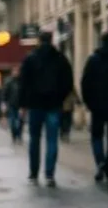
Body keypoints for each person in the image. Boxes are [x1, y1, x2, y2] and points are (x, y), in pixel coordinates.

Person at [17, 31, 74, 186]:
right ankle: (49, 174)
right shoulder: (60, 59)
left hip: (35, 104)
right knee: (52, 140)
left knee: (34, 139)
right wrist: (60, 98)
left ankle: (33, 173)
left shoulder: (30, 58)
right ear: (52, 40)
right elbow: (68, 82)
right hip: (53, 105)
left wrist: (22, 104)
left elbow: (23, 83)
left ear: (38, 41)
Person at [79, 31, 108, 183]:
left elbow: (85, 82)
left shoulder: (94, 60)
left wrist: (88, 102)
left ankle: (100, 162)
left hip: (97, 106)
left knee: (96, 136)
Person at [2, 70, 22, 143]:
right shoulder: (9, 82)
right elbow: (5, 93)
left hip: (20, 105)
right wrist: (4, 103)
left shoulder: (22, 82)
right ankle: (14, 135)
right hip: (12, 105)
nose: (16, 73)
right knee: (13, 121)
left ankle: (19, 135)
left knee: (20, 121)